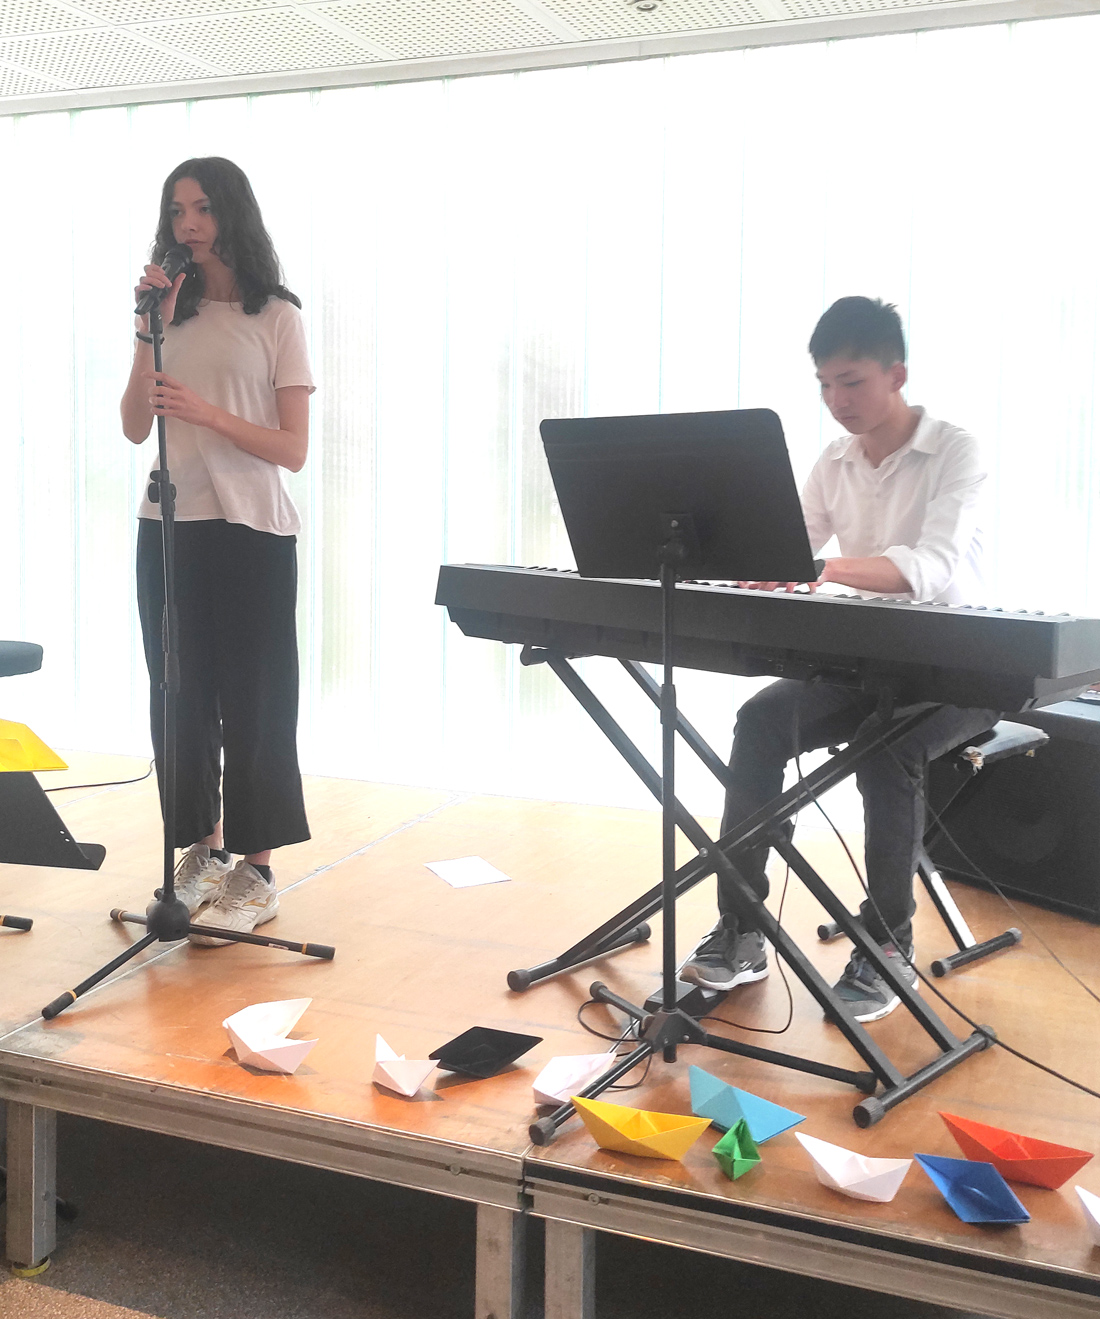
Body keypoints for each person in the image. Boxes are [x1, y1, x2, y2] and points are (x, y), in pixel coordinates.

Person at [680, 296, 996, 1020]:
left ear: (897, 373)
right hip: (866, 659)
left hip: (966, 668)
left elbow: (932, 568)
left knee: (887, 752)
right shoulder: (833, 459)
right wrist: (740, 558)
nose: (835, 400)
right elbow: (788, 547)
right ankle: (742, 927)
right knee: (760, 720)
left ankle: (887, 943)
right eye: (823, 384)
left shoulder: (956, 450)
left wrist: (814, 567)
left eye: (850, 382)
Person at [120, 156, 314, 945]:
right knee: (181, 698)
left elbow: (292, 448)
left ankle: (257, 868)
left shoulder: (279, 317)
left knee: (256, 704)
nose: (188, 225)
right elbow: (136, 424)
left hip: (254, 532)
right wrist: (146, 329)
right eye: (176, 212)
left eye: (201, 209)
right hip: (169, 526)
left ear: (232, 214)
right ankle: (200, 849)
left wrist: (206, 411)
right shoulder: (168, 314)